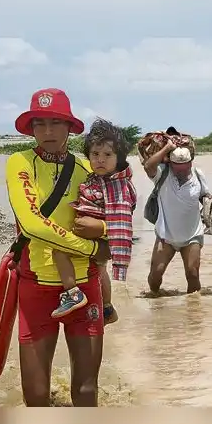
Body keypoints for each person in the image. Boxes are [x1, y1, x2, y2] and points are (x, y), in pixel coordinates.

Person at [6, 88, 112, 407]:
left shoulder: (88, 170)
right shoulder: (19, 162)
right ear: (31, 129)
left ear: (70, 128)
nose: (48, 132)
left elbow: (119, 218)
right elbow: (31, 223)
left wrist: (104, 230)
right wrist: (90, 248)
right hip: (36, 288)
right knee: (36, 397)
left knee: (86, 391)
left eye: (56, 123)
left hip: (84, 287)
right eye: (40, 124)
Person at [50, 118, 136, 325]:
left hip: (98, 236)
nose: (100, 160)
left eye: (107, 155)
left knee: (59, 251)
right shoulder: (99, 179)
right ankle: (107, 308)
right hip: (100, 239)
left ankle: (72, 293)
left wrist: (102, 229)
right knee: (100, 270)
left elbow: (123, 216)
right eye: (95, 154)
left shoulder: (119, 186)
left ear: (119, 158)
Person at [143, 142, 212, 294]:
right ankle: (155, 301)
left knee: (193, 274)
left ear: (191, 163)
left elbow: (204, 196)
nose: (182, 172)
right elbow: (147, 167)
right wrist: (167, 148)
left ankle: (193, 310)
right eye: (178, 170)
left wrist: (211, 201)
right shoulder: (162, 173)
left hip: (192, 235)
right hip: (166, 235)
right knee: (156, 276)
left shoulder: (198, 174)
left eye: (185, 168)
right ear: (170, 164)